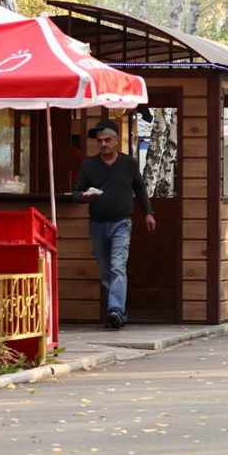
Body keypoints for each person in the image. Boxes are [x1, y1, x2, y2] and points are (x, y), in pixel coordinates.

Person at [73, 119, 156, 330]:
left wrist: (148, 213)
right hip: (98, 223)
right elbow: (76, 193)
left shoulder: (128, 163)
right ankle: (119, 311)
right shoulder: (89, 165)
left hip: (122, 222)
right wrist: (84, 197)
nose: (103, 144)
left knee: (118, 267)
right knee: (105, 271)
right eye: (100, 141)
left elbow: (140, 188)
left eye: (107, 140)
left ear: (117, 140)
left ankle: (116, 311)